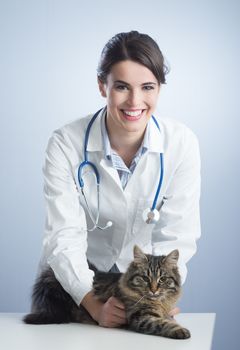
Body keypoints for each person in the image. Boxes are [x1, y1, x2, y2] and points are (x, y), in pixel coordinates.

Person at [38, 31, 201, 328]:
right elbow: (63, 235)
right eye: (122, 87)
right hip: (75, 286)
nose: (135, 101)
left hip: (142, 289)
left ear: (160, 89)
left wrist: (160, 301)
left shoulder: (181, 143)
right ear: (103, 86)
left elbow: (179, 235)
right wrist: (91, 303)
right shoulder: (65, 143)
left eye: (148, 87)